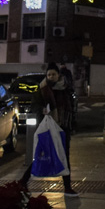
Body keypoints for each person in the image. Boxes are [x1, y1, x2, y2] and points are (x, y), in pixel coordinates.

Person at [19, 64, 77, 195]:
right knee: (41, 153)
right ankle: (23, 181)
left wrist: (72, 124)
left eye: (54, 74)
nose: (51, 77)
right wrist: (42, 110)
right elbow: (34, 105)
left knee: (65, 156)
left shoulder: (65, 88)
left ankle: (67, 187)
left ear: (58, 75)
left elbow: (70, 107)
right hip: (49, 127)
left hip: (63, 126)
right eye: (49, 74)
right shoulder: (43, 89)